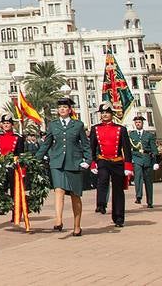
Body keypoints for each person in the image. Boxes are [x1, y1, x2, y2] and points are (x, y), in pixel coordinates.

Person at [39, 96, 91, 236]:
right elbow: (46, 144)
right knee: (59, 190)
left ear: (70, 110)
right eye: (60, 107)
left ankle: (77, 226)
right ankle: (58, 220)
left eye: (65, 107)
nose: (62, 109)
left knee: (75, 195)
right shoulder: (53, 125)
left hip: (74, 162)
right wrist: (36, 159)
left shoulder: (78, 125)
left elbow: (86, 146)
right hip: (57, 162)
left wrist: (88, 160)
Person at [90, 102, 133, 227]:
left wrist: (128, 166)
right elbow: (92, 148)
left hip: (117, 161)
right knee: (102, 180)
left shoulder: (121, 129)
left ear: (112, 114)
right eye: (102, 113)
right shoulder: (95, 129)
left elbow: (127, 149)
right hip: (102, 160)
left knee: (118, 190)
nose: (104, 115)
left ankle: (119, 217)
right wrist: (93, 163)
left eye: (107, 113)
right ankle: (101, 204)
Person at [130, 113, 158, 208]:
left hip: (147, 158)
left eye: (139, 122)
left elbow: (154, 149)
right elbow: (129, 148)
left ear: (142, 123)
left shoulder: (149, 135)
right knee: (137, 178)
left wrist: (155, 162)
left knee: (148, 181)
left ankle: (150, 201)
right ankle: (138, 196)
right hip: (136, 158)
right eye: (136, 122)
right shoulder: (132, 134)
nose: (138, 124)